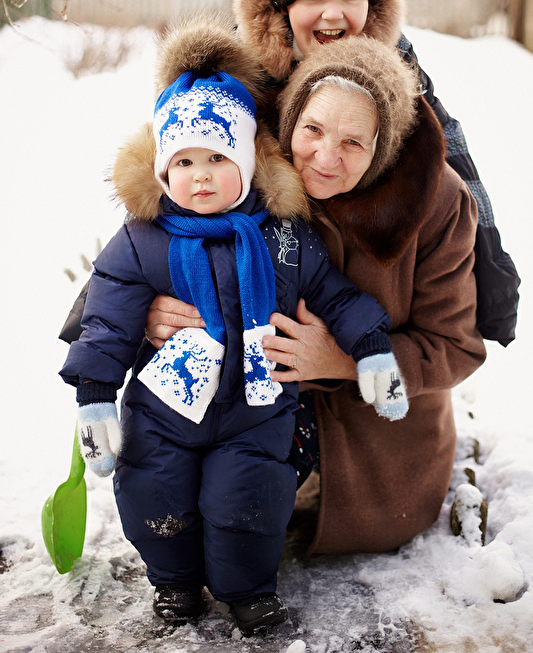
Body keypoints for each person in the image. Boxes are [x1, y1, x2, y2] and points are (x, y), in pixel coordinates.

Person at [59, 14, 409, 633]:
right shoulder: (143, 239)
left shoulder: (283, 236)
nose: (199, 175)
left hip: (257, 407)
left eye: (217, 158)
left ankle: (248, 588)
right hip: (164, 409)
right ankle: (173, 582)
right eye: (184, 161)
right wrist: (94, 396)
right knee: (153, 492)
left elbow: (334, 295)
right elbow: (107, 316)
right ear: (162, 168)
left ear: (247, 161)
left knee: (249, 500)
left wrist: (372, 348)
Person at [146, 28, 487, 557]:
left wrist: (343, 359)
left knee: (248, 525)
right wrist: (151, 312)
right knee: (184, 520)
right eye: (313, 130)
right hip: (244, 410)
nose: (326, 157)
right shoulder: (235, 166)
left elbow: (456, 346)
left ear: (381, 147)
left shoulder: (438, 200)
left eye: (353, 142)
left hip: (377, 447)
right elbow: (132, 260)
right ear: (291, 122)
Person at [228, 0, 519, 348]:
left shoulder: (396, 69)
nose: (333, 13)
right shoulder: (240, 71)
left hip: (359, 309)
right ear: (281, 3)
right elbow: (180, 163)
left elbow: (451, 153)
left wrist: (492, 269)